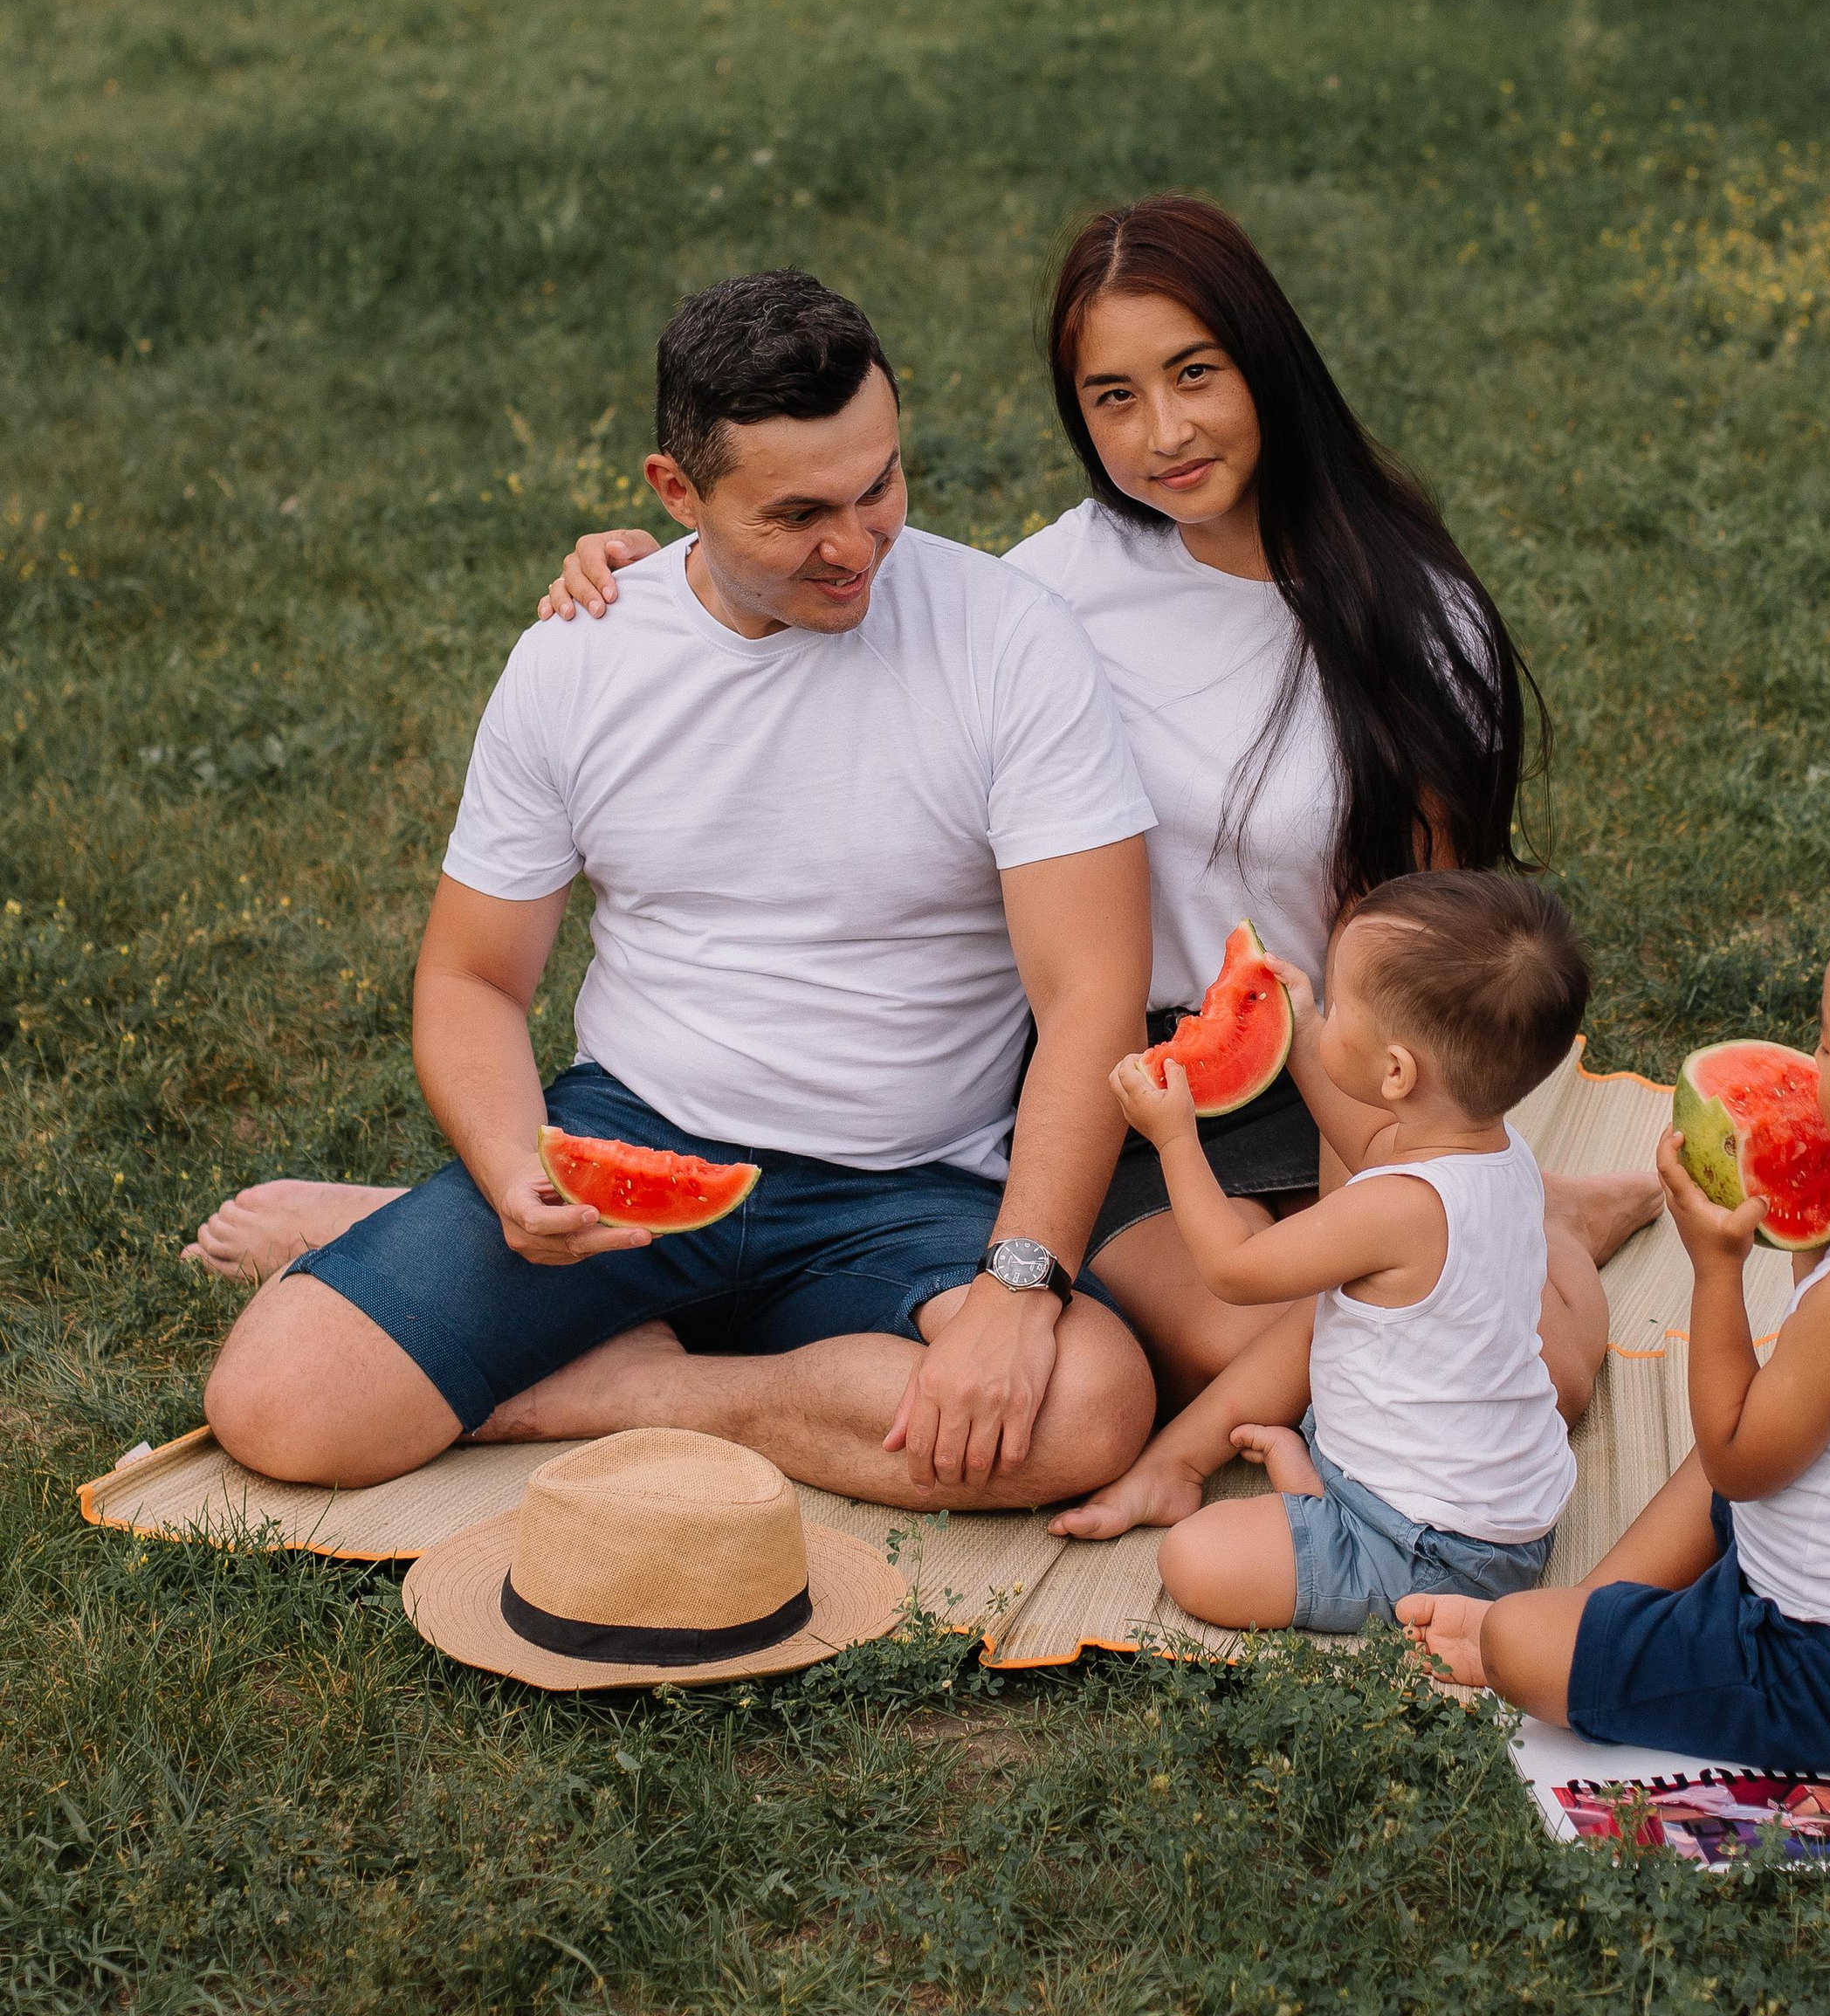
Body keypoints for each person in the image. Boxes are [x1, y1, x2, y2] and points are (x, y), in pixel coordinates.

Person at [479, 195, 1656, 1418]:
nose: (1164, 434)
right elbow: (830, 581)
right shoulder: (1047, 594)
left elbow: (1422, 946)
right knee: (1242, 1345)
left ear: (1268, 361)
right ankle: (1534, 1207)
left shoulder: (1418, 618)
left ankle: (1532, 1210)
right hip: (1133, 1082)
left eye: (1195, 374)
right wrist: (662, 566)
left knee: (1541, 1382)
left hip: (1348, 1056)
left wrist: (1390, 1155)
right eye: (1112, 397)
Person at [197, 271, 1160, 1505]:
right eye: (798, 514)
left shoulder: (1012, 640)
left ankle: (627, 1389)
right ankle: (726, 1363)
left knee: (1088, 1407)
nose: (857, 544)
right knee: (281, 1407)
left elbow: (1091, 998)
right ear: (675, 493)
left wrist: (1020, 1285)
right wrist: (509, 1170)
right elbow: (473, 974)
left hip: (915, 1187)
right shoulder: (578, 663)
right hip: (631, 1142)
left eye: (881, 486)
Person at [1398, 876, 1830, 1777]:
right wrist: (1814, 1245)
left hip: (1827, 1674)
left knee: (1519, 1642)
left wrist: (1716, 1272)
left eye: (1827, 1045)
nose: (1808, 1071)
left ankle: (1579, 1637)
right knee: (1737, 1442)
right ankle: (1598, 1612)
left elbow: (1740, 1458)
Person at [1045, 872, 1586, 1638]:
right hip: (1500, 1512)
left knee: (1195, 1560)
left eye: (1341, 1004)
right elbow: (1369, 1141)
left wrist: (1173, 1137)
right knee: (1330, 1318)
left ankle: (1371, 1556)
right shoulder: (1498, 1154)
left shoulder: (1394, 1209)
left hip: (1428, 1545)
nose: (1323, 1010)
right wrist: (1301, 1036)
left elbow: (1235, 1269)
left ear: (1396, 1071)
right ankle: (1302, 1484)